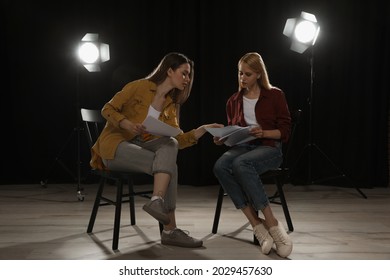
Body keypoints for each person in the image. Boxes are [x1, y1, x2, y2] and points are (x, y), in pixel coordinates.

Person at [90, 52, 222, 248]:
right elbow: (107, 109)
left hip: (143, 147)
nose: (187, 79)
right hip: (116, 146)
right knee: (169, 168)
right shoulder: (139, 87)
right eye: (184, 74)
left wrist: (202, 130)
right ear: (169, 70)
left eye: (189, 75)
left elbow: (179, 139)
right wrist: (127, 124)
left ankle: (156, 199)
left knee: (171, 144)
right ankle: (170, 230)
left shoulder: (172, 105)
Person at [212, 52, 293, 257]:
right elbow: (235, 135)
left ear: (258, 74)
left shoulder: (275, 95)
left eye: (247, 74)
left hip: (269, 147)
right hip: (243, 148)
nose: (242, 78)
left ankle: (272, 224)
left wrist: (263, 132)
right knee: (220, 166)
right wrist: (223, 138)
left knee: (241, 164)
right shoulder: (233, 100)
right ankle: (256, 224)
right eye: (240, 73)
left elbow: (284, 132)